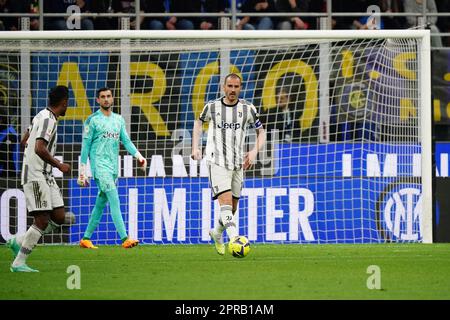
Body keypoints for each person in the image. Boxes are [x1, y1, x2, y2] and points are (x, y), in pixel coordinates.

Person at [191, 74, 266, 255]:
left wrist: (254, 150)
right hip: (216, 161)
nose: (232, 90)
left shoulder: (248, 109)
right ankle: (236, 240)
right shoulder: (212, 106)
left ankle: (216, 233)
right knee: (224, 204)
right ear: (223, 87)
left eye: (236, 86)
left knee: (232, 208)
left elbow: (261, 132)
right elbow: (198, 123)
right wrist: (195, 147)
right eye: (229, 86)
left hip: (237, 163)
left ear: (240, 88)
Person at [7, 85, 71, 272]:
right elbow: (39, 147)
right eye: (68, 103)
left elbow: (23, 141)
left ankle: (18, 241)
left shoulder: (40, 115)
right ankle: (18, 263)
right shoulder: (48, 120)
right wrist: (59, 165)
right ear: (64, 102)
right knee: (42, 220)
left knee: (58, 217)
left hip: (45, 175)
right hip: (35, 175)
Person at [77, 87, 146, 249]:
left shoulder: (118, 120)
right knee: (114, 199)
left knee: (101, 203)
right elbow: (85, 147)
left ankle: (85, 238)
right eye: (102, 97)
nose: (106, 99)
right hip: (99, 167)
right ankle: (125, 238)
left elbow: (126, 141)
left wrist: (139, 156)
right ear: (98, 100)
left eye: (108, 96)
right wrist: (82, 172)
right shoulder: (92, 120)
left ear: (113, 98)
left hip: (113, 168)